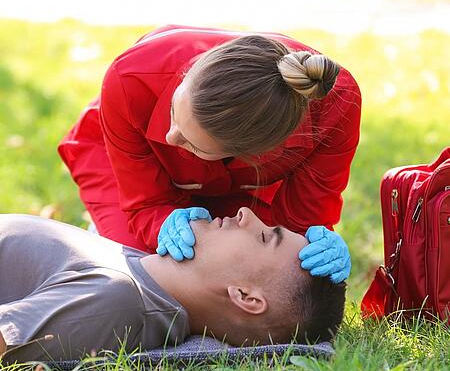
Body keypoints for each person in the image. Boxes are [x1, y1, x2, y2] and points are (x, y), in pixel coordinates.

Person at [58, 24, 361, 286]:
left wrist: (308, 248)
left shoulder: (336, 106)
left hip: (243, 182)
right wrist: (161, 222)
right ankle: (103, 233)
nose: (169, 137)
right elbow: (146, 203)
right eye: (174, 112)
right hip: (118, 158)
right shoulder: (130, 77)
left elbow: (298, 221)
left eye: (194, 145)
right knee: (148, 276)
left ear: (254, 153)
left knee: (256, 269)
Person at [0, 208, 345, 364]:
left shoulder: (120, 301)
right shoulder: (146, 274)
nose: (245, 213)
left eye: (265, 236)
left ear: (245, 296)